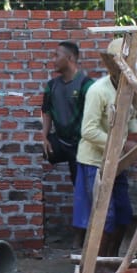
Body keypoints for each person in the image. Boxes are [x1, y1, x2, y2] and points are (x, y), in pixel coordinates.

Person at [74, 70, 137, 257]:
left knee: (123, 214)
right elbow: (88, 131)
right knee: (104, 216)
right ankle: (95, 266)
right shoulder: (98, 91)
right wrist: (120, 143)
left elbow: (132, 122)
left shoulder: (131, 89)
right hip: (95, 162)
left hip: (118, 162)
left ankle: (110, 261)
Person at [40, 41, 94, 186]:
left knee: (81, 186)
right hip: (60, 142)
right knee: (34, 149)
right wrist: (44, 136)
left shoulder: (86, 85)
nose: (53, 60)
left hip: (82, 145)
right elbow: (46, 112)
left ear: (70, 58)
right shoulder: (51, 86)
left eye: (56, 56)